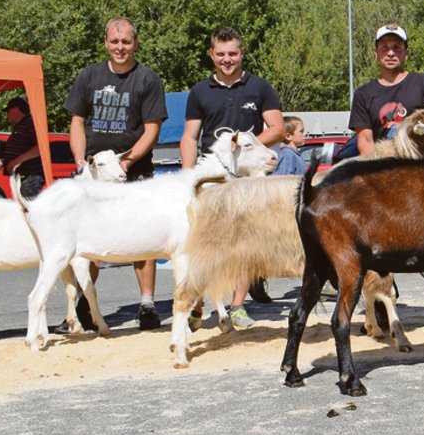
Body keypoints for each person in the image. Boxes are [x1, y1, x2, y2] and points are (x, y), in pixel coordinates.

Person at [349, 23, 424, 341]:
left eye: (397, 46)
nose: (391, 52)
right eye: (385, 47)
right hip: (383, 182)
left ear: (406, 51)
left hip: (421, 181)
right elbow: (365, 141)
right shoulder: (365, 94)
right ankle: (379, 311)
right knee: (378, 249)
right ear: (376, 52)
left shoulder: (423, 85)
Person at [64, 16, 169, 330]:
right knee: (88, 242)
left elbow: (152, 129)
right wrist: (80, 159)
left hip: (133, 172)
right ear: (106, 42)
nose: (120, 47)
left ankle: (148, 305)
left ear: (135, 43)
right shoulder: (88, 76)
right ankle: (84, 305)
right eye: (114, 42)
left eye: (126, 42)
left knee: (144, 239)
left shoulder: (148, 79)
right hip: (95, 174)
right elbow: (77, 122)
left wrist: (127, 161)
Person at [182, 26, 286, 329]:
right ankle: (197, 306)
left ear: (241, 53)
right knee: (205, 242)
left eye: (233, 54)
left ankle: (238, 306)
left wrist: (247, 148)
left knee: (246, 243)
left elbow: (278, 128)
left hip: (248, 180)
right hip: (212, 177)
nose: (227, 59)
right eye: (221, 54)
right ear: (211, 55)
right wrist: (187, 176)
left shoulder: (260, 87)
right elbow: (190, 136)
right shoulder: (200, 91)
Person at [1, 96, 46, 199]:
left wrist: (17, 161)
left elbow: (40, 147)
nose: (7, 115)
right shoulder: (22, 125)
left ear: (16, 109)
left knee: (29, 206)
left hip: (31, 177)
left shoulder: (30, 123)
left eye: (8, 111)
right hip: (23, 177)